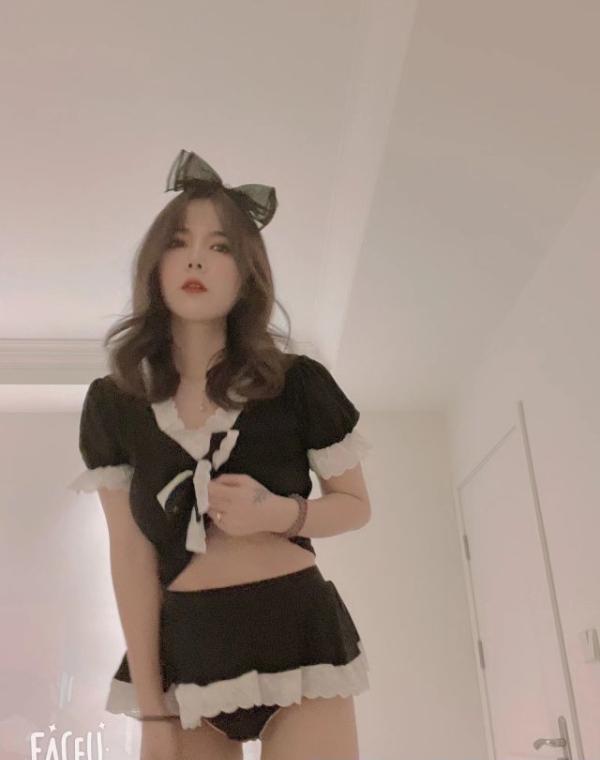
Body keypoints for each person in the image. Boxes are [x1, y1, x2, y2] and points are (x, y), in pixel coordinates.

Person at [68, 150, 373, 760]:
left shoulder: (297, 382)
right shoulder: (115, 403)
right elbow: (130, 555)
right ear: (156, 265)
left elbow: (355, 505)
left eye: (220, 247)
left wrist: (278, 513)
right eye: (180, 243)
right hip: (187, 645)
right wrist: (152, 710)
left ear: (246, 273)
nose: (197, 259)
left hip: (298, 632)